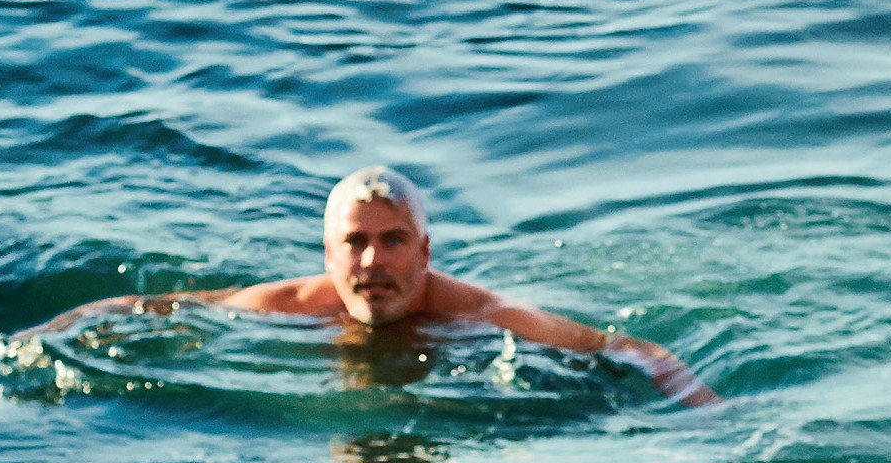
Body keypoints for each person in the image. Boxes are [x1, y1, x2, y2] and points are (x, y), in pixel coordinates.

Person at [53, 169, 711, 402]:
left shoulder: (481, 314)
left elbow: (632, 349)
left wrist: (706, 413)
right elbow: (142, 309)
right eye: (355, 243)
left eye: (393, 241)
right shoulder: (288, 307)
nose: (373, 261)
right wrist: (32, 343)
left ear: (425, 252)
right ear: (328, 255)